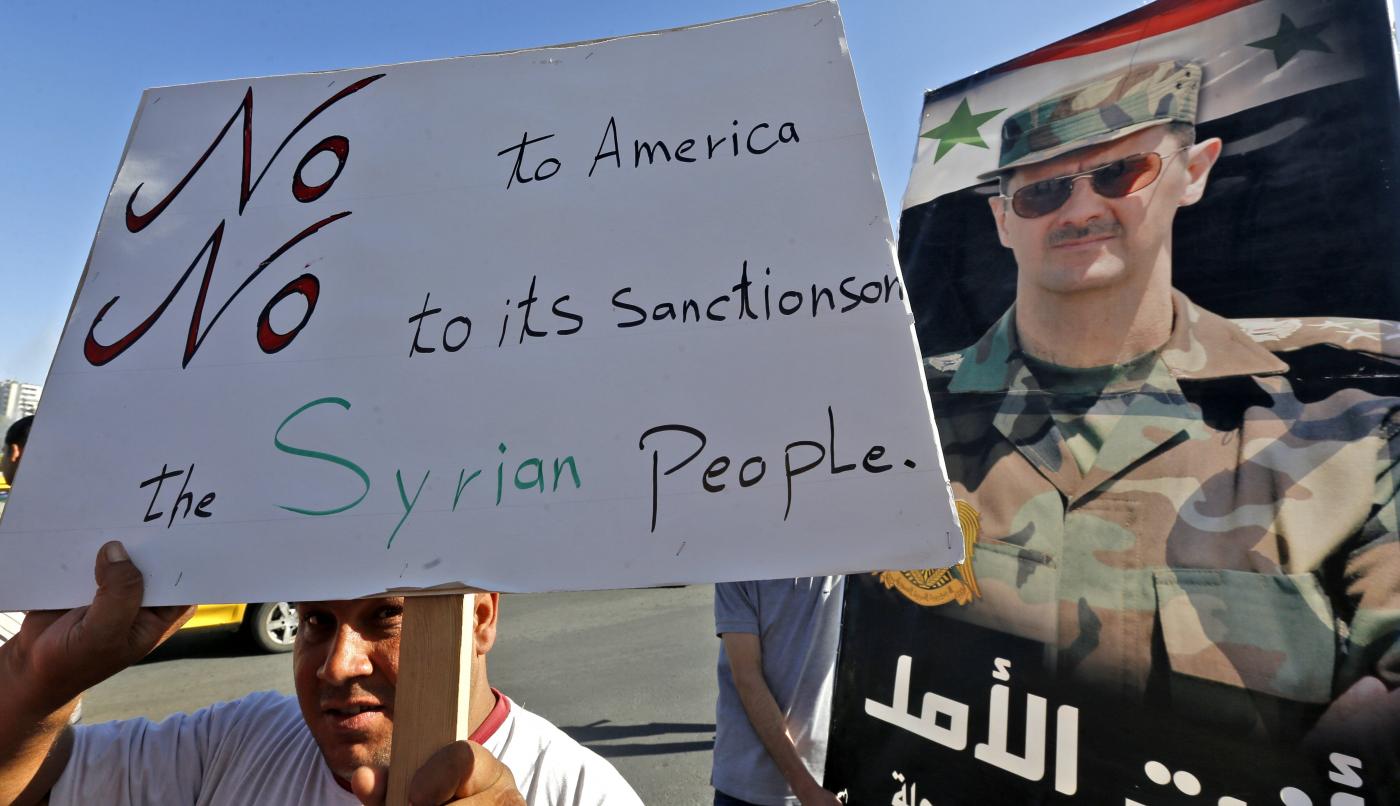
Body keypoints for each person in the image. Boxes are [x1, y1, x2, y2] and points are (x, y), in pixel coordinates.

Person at [920, 60, 1400, 743]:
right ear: (1003, 219)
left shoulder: (1349, 429)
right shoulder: (908, 428)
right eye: (1043, 192)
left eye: (1121, 173)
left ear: (1194, 171)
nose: (1082, 209)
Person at [0, 542, 645, 806]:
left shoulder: (579, 790)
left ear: (480, 619)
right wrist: (35, 678)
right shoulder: (237, 743)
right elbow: (32, 785)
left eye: (385, 615)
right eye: (316, 622)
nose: (337, 664)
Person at [712, 577, 844, 806]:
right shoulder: (737, 565)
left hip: (829, 778)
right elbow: (747, 678)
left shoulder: (851, 556)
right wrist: (806, 788)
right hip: (749, 785)